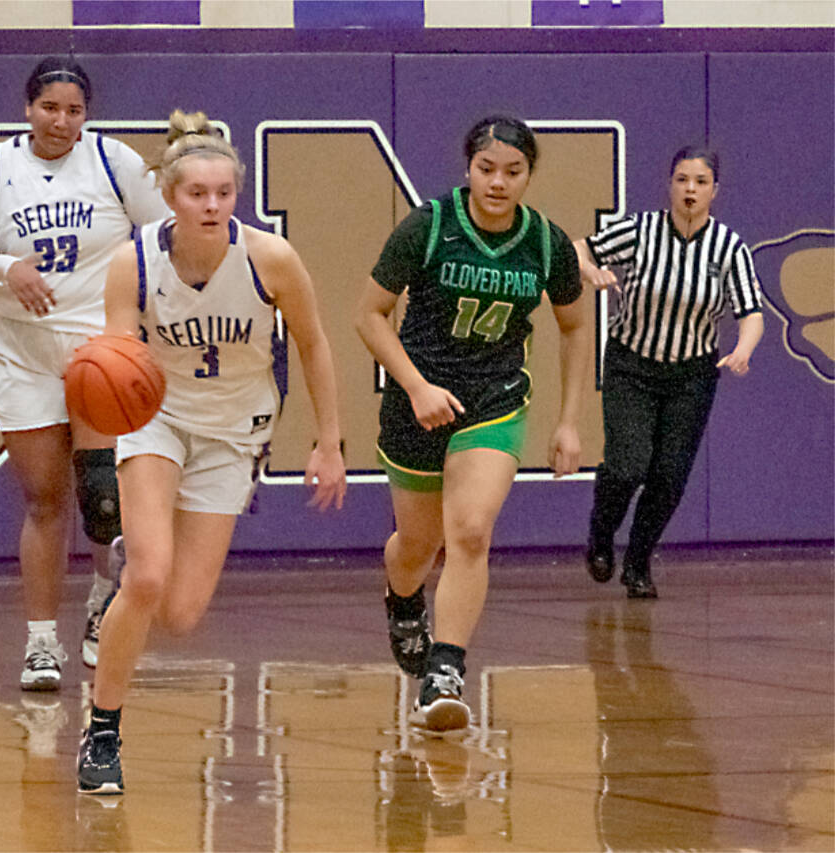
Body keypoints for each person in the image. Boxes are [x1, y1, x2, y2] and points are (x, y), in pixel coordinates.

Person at [76, 109, 347, 794]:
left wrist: (329, 440)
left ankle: (133, 560)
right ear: (170, 195)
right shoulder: (133, 262)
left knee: (180, 614)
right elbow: (120, 356)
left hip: (234, 432)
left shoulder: (270, 258)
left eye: (224, 193)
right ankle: (102, 731)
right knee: (147, 579)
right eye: (197, 193)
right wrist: (103, 386)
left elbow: (313, 343)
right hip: (158, 421)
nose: (212, 205)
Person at [353, 115, 591, 734]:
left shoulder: (546, 243)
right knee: (417, 547)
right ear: (469, 169)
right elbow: (369, 314)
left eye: (513, 171)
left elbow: (574, 326)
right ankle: (403, 597)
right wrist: (416, 386)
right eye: (487, 169)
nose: (498, 182)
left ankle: (445, 672)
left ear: (529, 175)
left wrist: (569, 421)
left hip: (495, 401)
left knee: (471, 532)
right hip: (418, 400)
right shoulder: (429, 226)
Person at [0, 57, 171, 691]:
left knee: (103, 496)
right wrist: (7, 268)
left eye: (74, 110)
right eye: (50, 107)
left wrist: (135, 306)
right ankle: (41, 642)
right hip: (23, 350)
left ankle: (104, 595)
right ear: (28, 109)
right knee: (44, 499)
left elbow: (163, 233)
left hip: (100, 348)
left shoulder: (113, 161)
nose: (61, 120)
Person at [578, 146, 764, 599]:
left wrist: (743, 349)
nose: (690, 190)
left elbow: (751, 312)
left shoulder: (729, 247)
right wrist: (589, 270)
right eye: (682, 180)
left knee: (669, 477)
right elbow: (579, 247)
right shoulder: (640, 230)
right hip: (632, 364)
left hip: (692, 375)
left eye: (700, 182)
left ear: (715, 190)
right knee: (627, 466)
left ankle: (638, 561)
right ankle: (601, 534)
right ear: (670, 185)